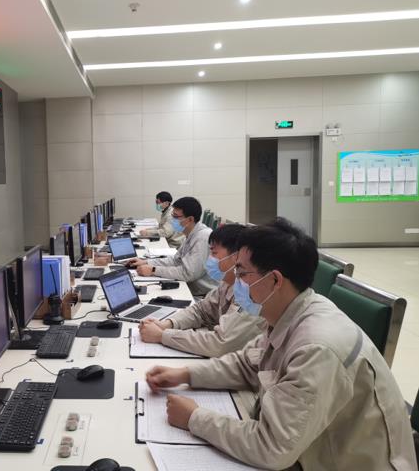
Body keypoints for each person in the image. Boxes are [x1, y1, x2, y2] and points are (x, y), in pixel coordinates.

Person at [146, 218, 417, 471]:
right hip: (308, 449)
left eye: (241, 273)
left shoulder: (316, 347)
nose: (235, 280)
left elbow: (272, 447)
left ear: (275, 280)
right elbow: (247, 364)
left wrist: (194, 418)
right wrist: (185, 374)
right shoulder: (290, 310)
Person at [139, 223, 265, 357]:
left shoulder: (251, 294)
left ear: (236, 257)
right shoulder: (227, 283)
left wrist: (162, 335)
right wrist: (167, 324)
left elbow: (220, 344)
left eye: (214, 253)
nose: (210, 258)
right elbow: (201, 310)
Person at [128, 197, 216, 298]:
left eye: (176, 217)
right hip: (189, 286)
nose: (173, 220)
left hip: (201, 295)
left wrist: (153, 270)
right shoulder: (191, 233)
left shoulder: (202, 238)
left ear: (190, 219)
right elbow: (176, 260)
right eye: (172, 216)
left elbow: (188, 274)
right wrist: (146, 262)